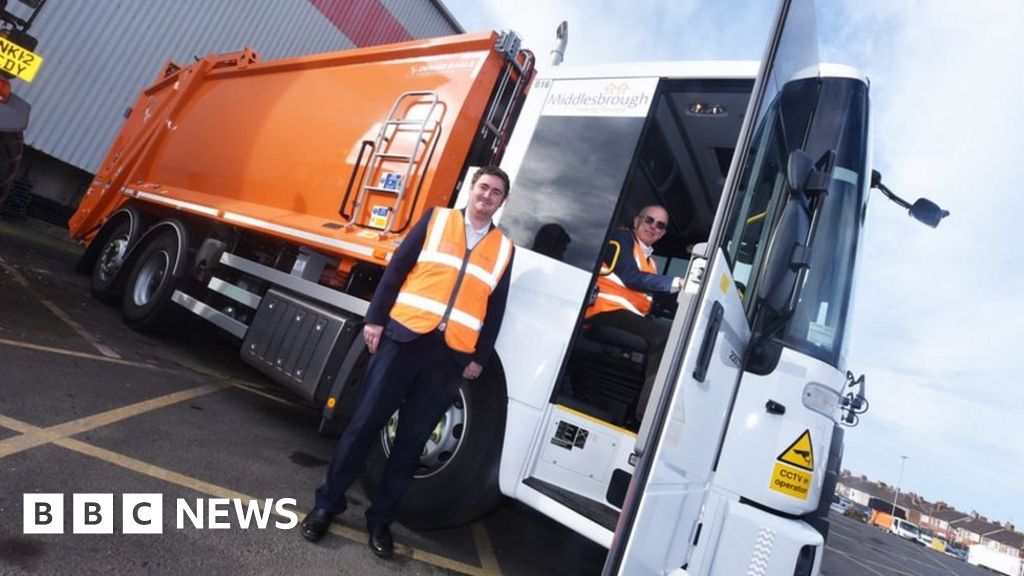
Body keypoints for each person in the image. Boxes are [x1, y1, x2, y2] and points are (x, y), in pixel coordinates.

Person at [300, 166, 515, 558]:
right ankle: (326, 505)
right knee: (364, 424)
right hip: (404, 339)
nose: (487, 196)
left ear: (503, 201)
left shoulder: (504, 248)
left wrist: (479, 358)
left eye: (496, 192)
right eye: (483, 187)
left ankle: (381, 520)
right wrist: (376, 319)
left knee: (411, 442)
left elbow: (496, 309)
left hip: (450, 357)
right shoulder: (437, 219)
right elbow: (397, 268)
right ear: (471, 188)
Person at [584, 205, 683, 417]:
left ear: (663, 233)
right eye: (649, 220)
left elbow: (646, 298)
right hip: (604, 311)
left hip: (624, 316)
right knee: (664, 337)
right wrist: (678, 282)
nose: (653, 227)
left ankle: (635, 405)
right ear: (637, 221)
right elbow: (631, 277)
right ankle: (648, 414)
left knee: (676, 334)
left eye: (660, 225)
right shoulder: (622, 239)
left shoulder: (651, 262)